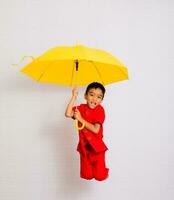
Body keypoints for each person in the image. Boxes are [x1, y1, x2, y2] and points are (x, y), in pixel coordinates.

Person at [65, 82, 109, 181]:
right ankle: (91, 172)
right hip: (84, 149)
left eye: (99, 97)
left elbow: (95, 129)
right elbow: (68, 114)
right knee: (87, 175)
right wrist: (74, 96)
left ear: (101, 100)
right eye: (91, 94)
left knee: (100, 176)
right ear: (85, 96)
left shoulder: (100, 110)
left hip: (97, 150)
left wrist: (80, 119)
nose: (94, 99)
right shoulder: (80, 108)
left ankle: (104, 172)